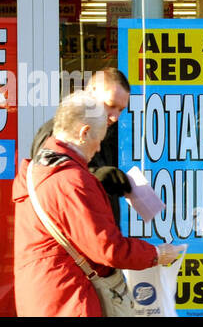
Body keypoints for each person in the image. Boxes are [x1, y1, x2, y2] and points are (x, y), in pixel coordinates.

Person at [13, 90, 184, 317]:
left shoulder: (38, 168)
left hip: (40, 295)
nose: (99, 149)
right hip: (72, 299)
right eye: (99, 139)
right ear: (84, 133)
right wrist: (156, 253)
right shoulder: (72, 180)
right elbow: (108, 249)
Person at [29, 68, 133, 218]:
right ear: (91, 93)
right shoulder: (57, 132)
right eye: (110, 105)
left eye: (121, 110)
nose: (115, 116)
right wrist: (98, 176)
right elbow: (53, 184)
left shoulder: (108, 134)